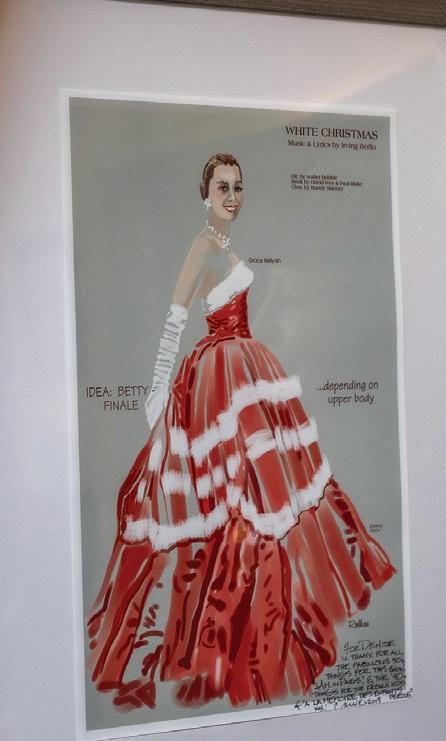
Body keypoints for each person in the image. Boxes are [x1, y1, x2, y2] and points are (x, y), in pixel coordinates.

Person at [86, 154, 396, 710]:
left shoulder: (223, 246)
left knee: (262, 496)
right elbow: (175, 319)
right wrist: (157, 392)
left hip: (245, 367)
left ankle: (255, 630)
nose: (232, 195)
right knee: (234, 501)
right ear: (204, 193)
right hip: (220, 378)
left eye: (238, 186)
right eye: (222, 187)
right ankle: (221, 644)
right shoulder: (203, 247)